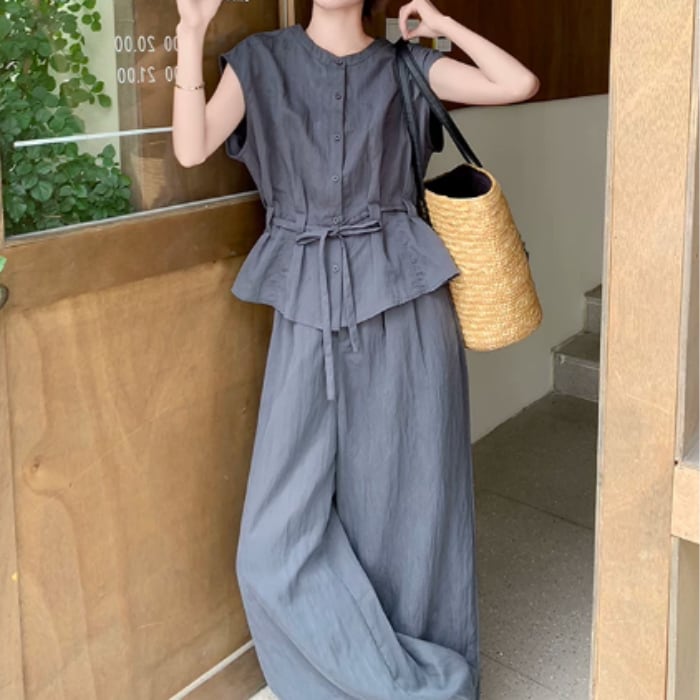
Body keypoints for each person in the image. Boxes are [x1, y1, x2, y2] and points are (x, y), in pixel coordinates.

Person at [172, 1, 539, 698]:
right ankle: (399, 684)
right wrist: (191, 33)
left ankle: (418, 672)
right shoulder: (261, 61)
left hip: (407, 309)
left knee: (409, 511)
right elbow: (192, 148)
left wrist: (441, 25)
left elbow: (516, 83)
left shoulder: (408, 67)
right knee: (271, 543)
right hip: (306, 313)